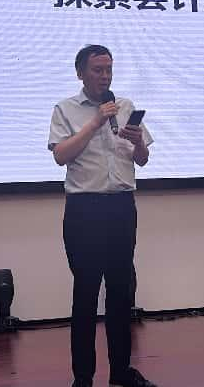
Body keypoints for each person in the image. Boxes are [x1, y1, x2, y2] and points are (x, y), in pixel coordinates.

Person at [48, 45, 157, 387]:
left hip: (121, 208)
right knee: (85, 294)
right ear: (80, 73)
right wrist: (95, 122)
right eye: (97, 70)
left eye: (109, 69)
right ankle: (83, 377)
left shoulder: (124, 107)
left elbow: (142, 160)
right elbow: (60, 155)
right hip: (85, 211)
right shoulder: (66, 109)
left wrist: (138, 142)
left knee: (121, 292)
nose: (105, 76)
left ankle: (121, 372)